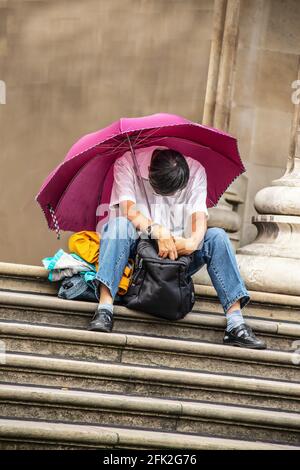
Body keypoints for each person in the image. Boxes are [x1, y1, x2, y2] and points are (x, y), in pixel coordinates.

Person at [88, 145, 266, 349]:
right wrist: (156, 231)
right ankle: (104, 309)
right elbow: (128, 209)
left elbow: (199, 219)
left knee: (217, 237)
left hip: (178, 256)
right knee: (117, 226)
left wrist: (191, 243)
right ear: (150, 176)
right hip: (139, 255)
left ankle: (235, 324)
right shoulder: (127, 163)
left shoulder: (196, 170)